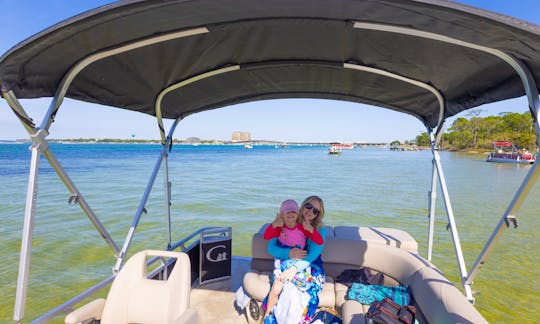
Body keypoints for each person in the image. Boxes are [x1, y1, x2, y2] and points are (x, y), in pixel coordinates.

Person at [263, 196, 327, 324]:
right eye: (309, 206)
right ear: (302, 206)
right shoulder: (285, 222)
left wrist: (294, 269)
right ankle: (271, 317)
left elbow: (311, 256)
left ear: (318, 215)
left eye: (315, 211)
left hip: (311, 266)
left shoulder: (320, 230)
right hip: (287, 261)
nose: (310, 211)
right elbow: (271, 248)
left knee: (295, 292)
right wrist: (289, 253)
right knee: (285, 288)